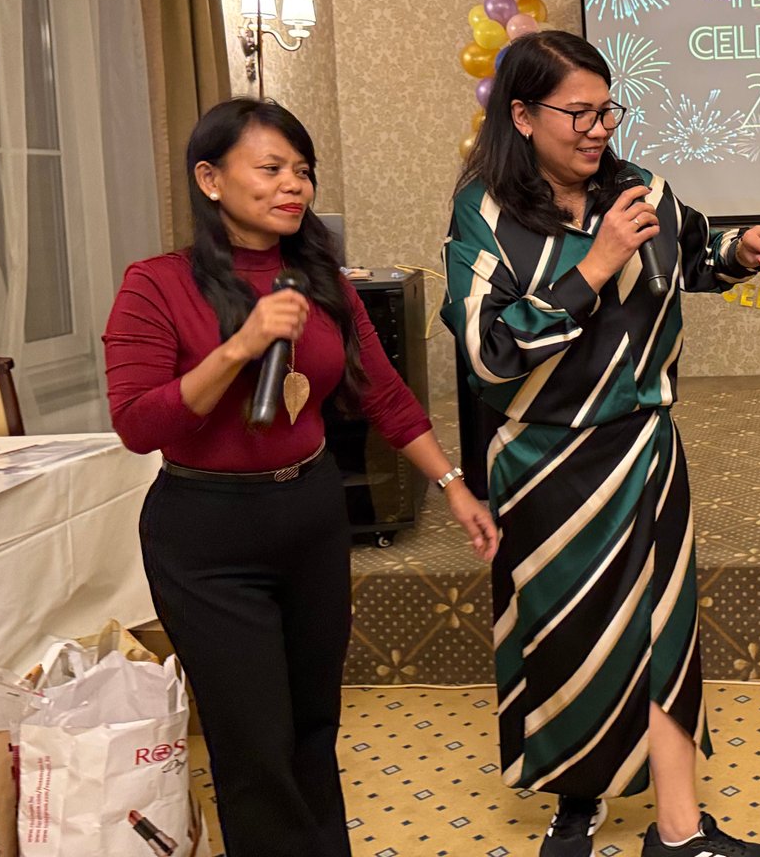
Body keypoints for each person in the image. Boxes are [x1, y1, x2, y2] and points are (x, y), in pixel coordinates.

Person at [104, 99, 499, 857]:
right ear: (210, 179)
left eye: (303, 171)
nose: (294, 185)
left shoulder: (320, 282)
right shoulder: (156, 284)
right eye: (272, 168)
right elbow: (138, 424)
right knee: (254, 743)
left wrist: (453, 484)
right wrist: (238, 348)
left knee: (314, 727)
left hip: (312, 518)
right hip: (208, 533)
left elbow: (384, 395)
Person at [441, 30, 760, 857]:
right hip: (544, 465)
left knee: (665, 630)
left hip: (644, 448)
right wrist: (595, 266)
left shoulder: (643, 189)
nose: (599, 128)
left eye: (608, 110)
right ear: (522, 116)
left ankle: (679, 829)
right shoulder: (484, 215)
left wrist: (746, 246)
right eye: (580, 113)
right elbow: (488, 355)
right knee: (566, 635)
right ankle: (578, 801)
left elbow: (700, 254)